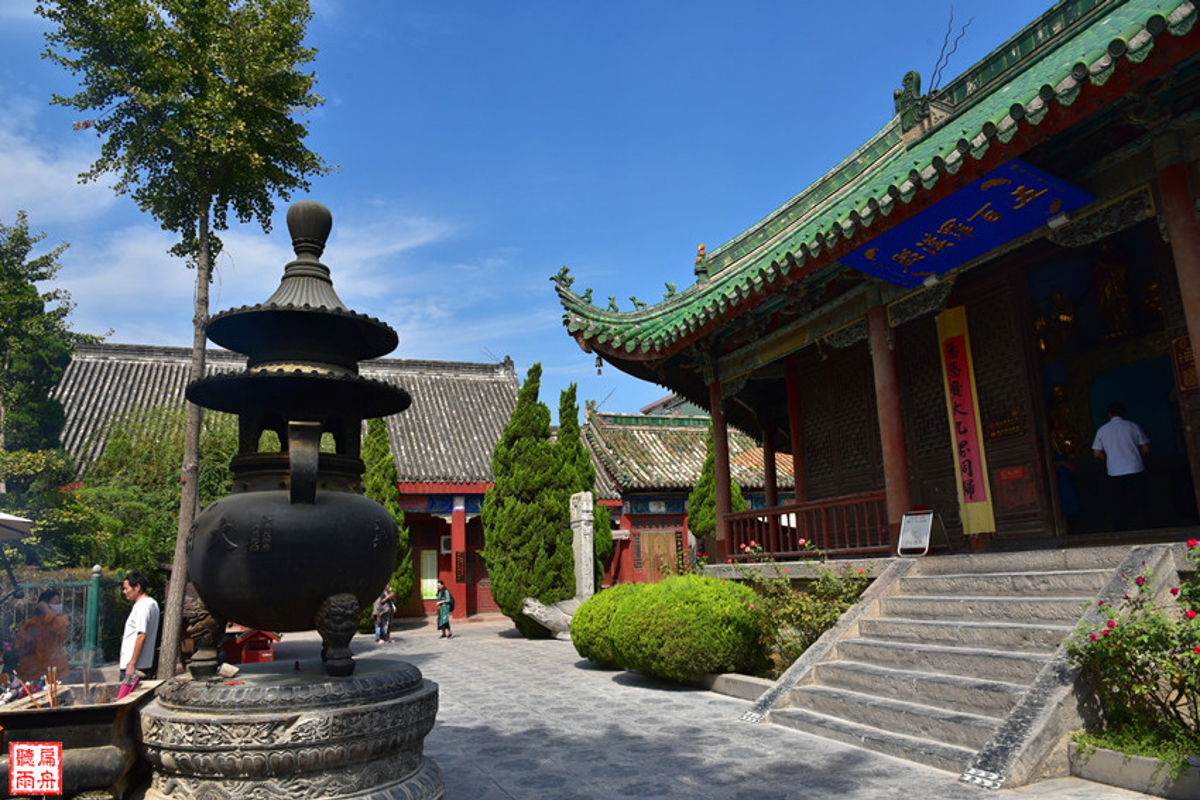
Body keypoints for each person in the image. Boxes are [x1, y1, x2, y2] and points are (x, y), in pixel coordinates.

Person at [1092, 402, 1150, 531]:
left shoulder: (1103, 430)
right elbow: (1146, 448)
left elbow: (1096, 453)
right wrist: (1137, 456)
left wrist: (1108, 459)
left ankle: (1120, 529)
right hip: (1135, 468)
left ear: (1110, 414)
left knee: (1117, 502)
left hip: (1115, 471)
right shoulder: (1133, 426)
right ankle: (1145, 526)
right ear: (1124, 413)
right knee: (1140, 500)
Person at [118, 573, 160, 699]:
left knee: (125, 701)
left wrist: (132, 664)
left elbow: (142, 635)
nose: (124, 592)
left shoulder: (143, 605)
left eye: (126, 588)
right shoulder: (151, 604)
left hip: (135, 666)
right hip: (140, 664)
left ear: (137, 587)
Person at [15, 589, 70, 683]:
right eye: (56, 603)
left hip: (57, 671)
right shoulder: (32, 623)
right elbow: (19, 646)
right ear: (44, 604)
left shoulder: (61, 619)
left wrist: (47, 611)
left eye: (59, 603)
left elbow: (59, 626)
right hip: (34, 673)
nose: (59, 606)